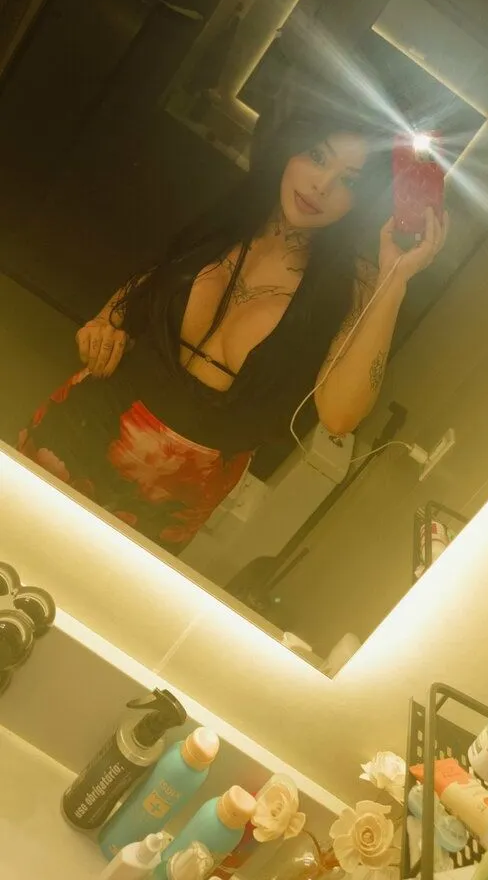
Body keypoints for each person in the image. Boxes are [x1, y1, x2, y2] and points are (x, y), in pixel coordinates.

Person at [17, 87, 448, 553]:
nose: (321, 185)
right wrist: (101, 325)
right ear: (292, 149)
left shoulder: (357, 285)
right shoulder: (228, 212)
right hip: (80, 424)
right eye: (317, 156)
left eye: (348, 181)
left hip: (168, 498)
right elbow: (148, 281)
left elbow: (339, 416)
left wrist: (395, 280)